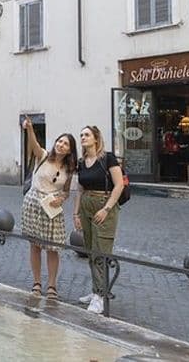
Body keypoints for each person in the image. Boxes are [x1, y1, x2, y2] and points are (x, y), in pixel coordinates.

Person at [21, 117, 77, 300]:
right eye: (59, 141)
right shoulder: (43, 155)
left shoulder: (69, 168)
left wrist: (61, 199)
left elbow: (66, 192)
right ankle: (36, 283)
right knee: (35, 245)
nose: (61, 145)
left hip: (52, 208)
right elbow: (34, 145)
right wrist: (29, 128)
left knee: (53, 247)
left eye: (66, 143)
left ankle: (52, 285)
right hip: (34, 202)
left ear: (70, 149)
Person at [73, 125, 126, 314]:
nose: (83, 137)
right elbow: (79, 189)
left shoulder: (107, 158)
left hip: (104, 204)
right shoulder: (81, 161)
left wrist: (106, 208)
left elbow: (119, 185)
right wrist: (76, 213)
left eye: (86, 134)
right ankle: (96, 290)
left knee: (101, 251)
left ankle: (101, 296)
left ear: (96, 138)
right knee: (90, 250)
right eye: (81, 135)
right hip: (86, 204)